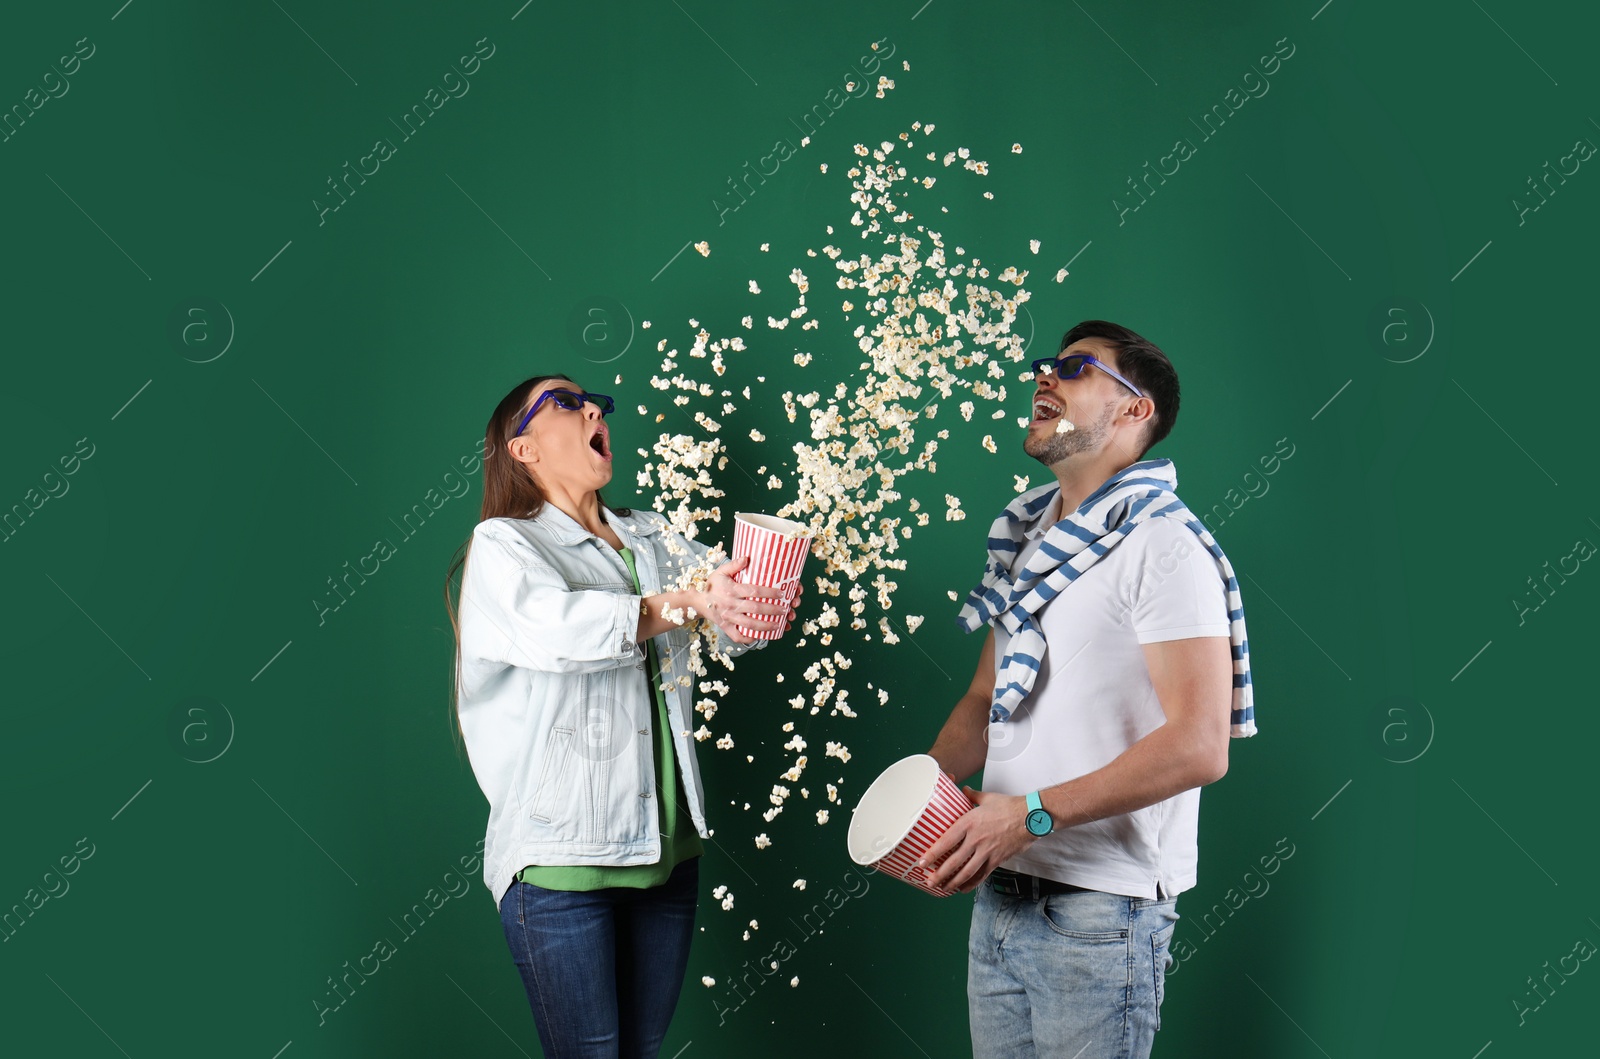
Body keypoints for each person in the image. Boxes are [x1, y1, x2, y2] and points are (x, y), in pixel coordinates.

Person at [920, 321, 1257, 1058]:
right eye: (1047, 365)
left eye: (1075, 368)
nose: (1046, 378)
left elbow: (1201, 747)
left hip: (1103, 911)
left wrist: (1030, 816)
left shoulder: (1163, 546)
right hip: (1003, 890)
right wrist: (924, 792)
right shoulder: (1029, 539)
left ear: (1136, 411)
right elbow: (985, 696)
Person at [443, 373, 800, 1058]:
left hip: (667, 854)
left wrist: (755, 598)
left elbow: (727, 624)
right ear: (523, 449)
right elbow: (560, 632)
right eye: (568, 402)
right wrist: (688, 603)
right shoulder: (505, 546)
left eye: (596, 403)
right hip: (560, 863)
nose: (595, 409)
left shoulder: (649, 536)